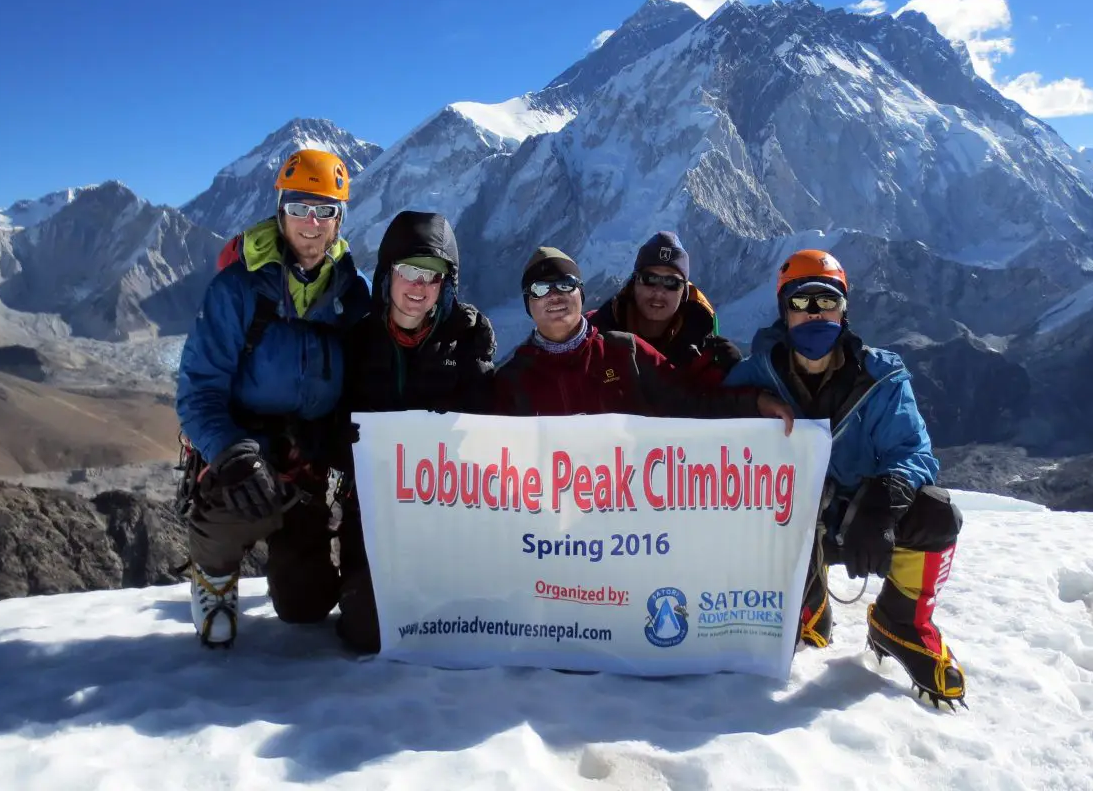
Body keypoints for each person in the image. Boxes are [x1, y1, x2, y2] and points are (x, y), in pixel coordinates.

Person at [723, 249, 966, 707]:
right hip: (790, 522)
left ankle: (902, 622)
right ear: (784, 311)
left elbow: (912, 451)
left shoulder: (881, 377)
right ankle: (806, 603)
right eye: (801, 302)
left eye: (827, 301)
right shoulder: (753, 377)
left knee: (935, 513)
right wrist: (748, 403)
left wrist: (883, 501)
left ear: (844, 309)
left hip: (862, 519)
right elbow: (712, 429)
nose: (814, 313)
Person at [174, 148, 372, 649]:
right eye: (300, 207)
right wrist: (230, 452)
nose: (312, 222)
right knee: (232, 499)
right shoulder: (237, 288)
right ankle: (214, 575)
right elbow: (198, 389)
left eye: (325, 210)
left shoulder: (353, 292)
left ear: (340, 219)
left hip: (308, 457)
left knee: (305, 606)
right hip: (243, 447)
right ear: (281, 210)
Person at [335, 210, 498, 653]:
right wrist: (343, 444)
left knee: (465, 618)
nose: (418, 287)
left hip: (446, 511)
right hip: (373, 511)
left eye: (432, 276)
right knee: (368, 631)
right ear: (387, 274)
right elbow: (329, 420)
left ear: (446, 284)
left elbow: (490, 424)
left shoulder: (465, 339)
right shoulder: (357, 340)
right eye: (409, 271)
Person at [495, 246, 793, 428]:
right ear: (528, 304)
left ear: (581, 294)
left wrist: (755, 403)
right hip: (553, 511)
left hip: (632, 506)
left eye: (565, 284)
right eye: (540, 289)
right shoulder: (512, 378)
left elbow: (692, 403)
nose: (554, 296)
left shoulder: (626, 352)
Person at [587, 231, 743, 385]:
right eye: (650, 279)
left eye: (671, 283)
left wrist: (732, 377)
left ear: (684, 292)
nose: (659, 292)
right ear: (633, 284)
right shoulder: (594, 333)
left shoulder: (705, 350)